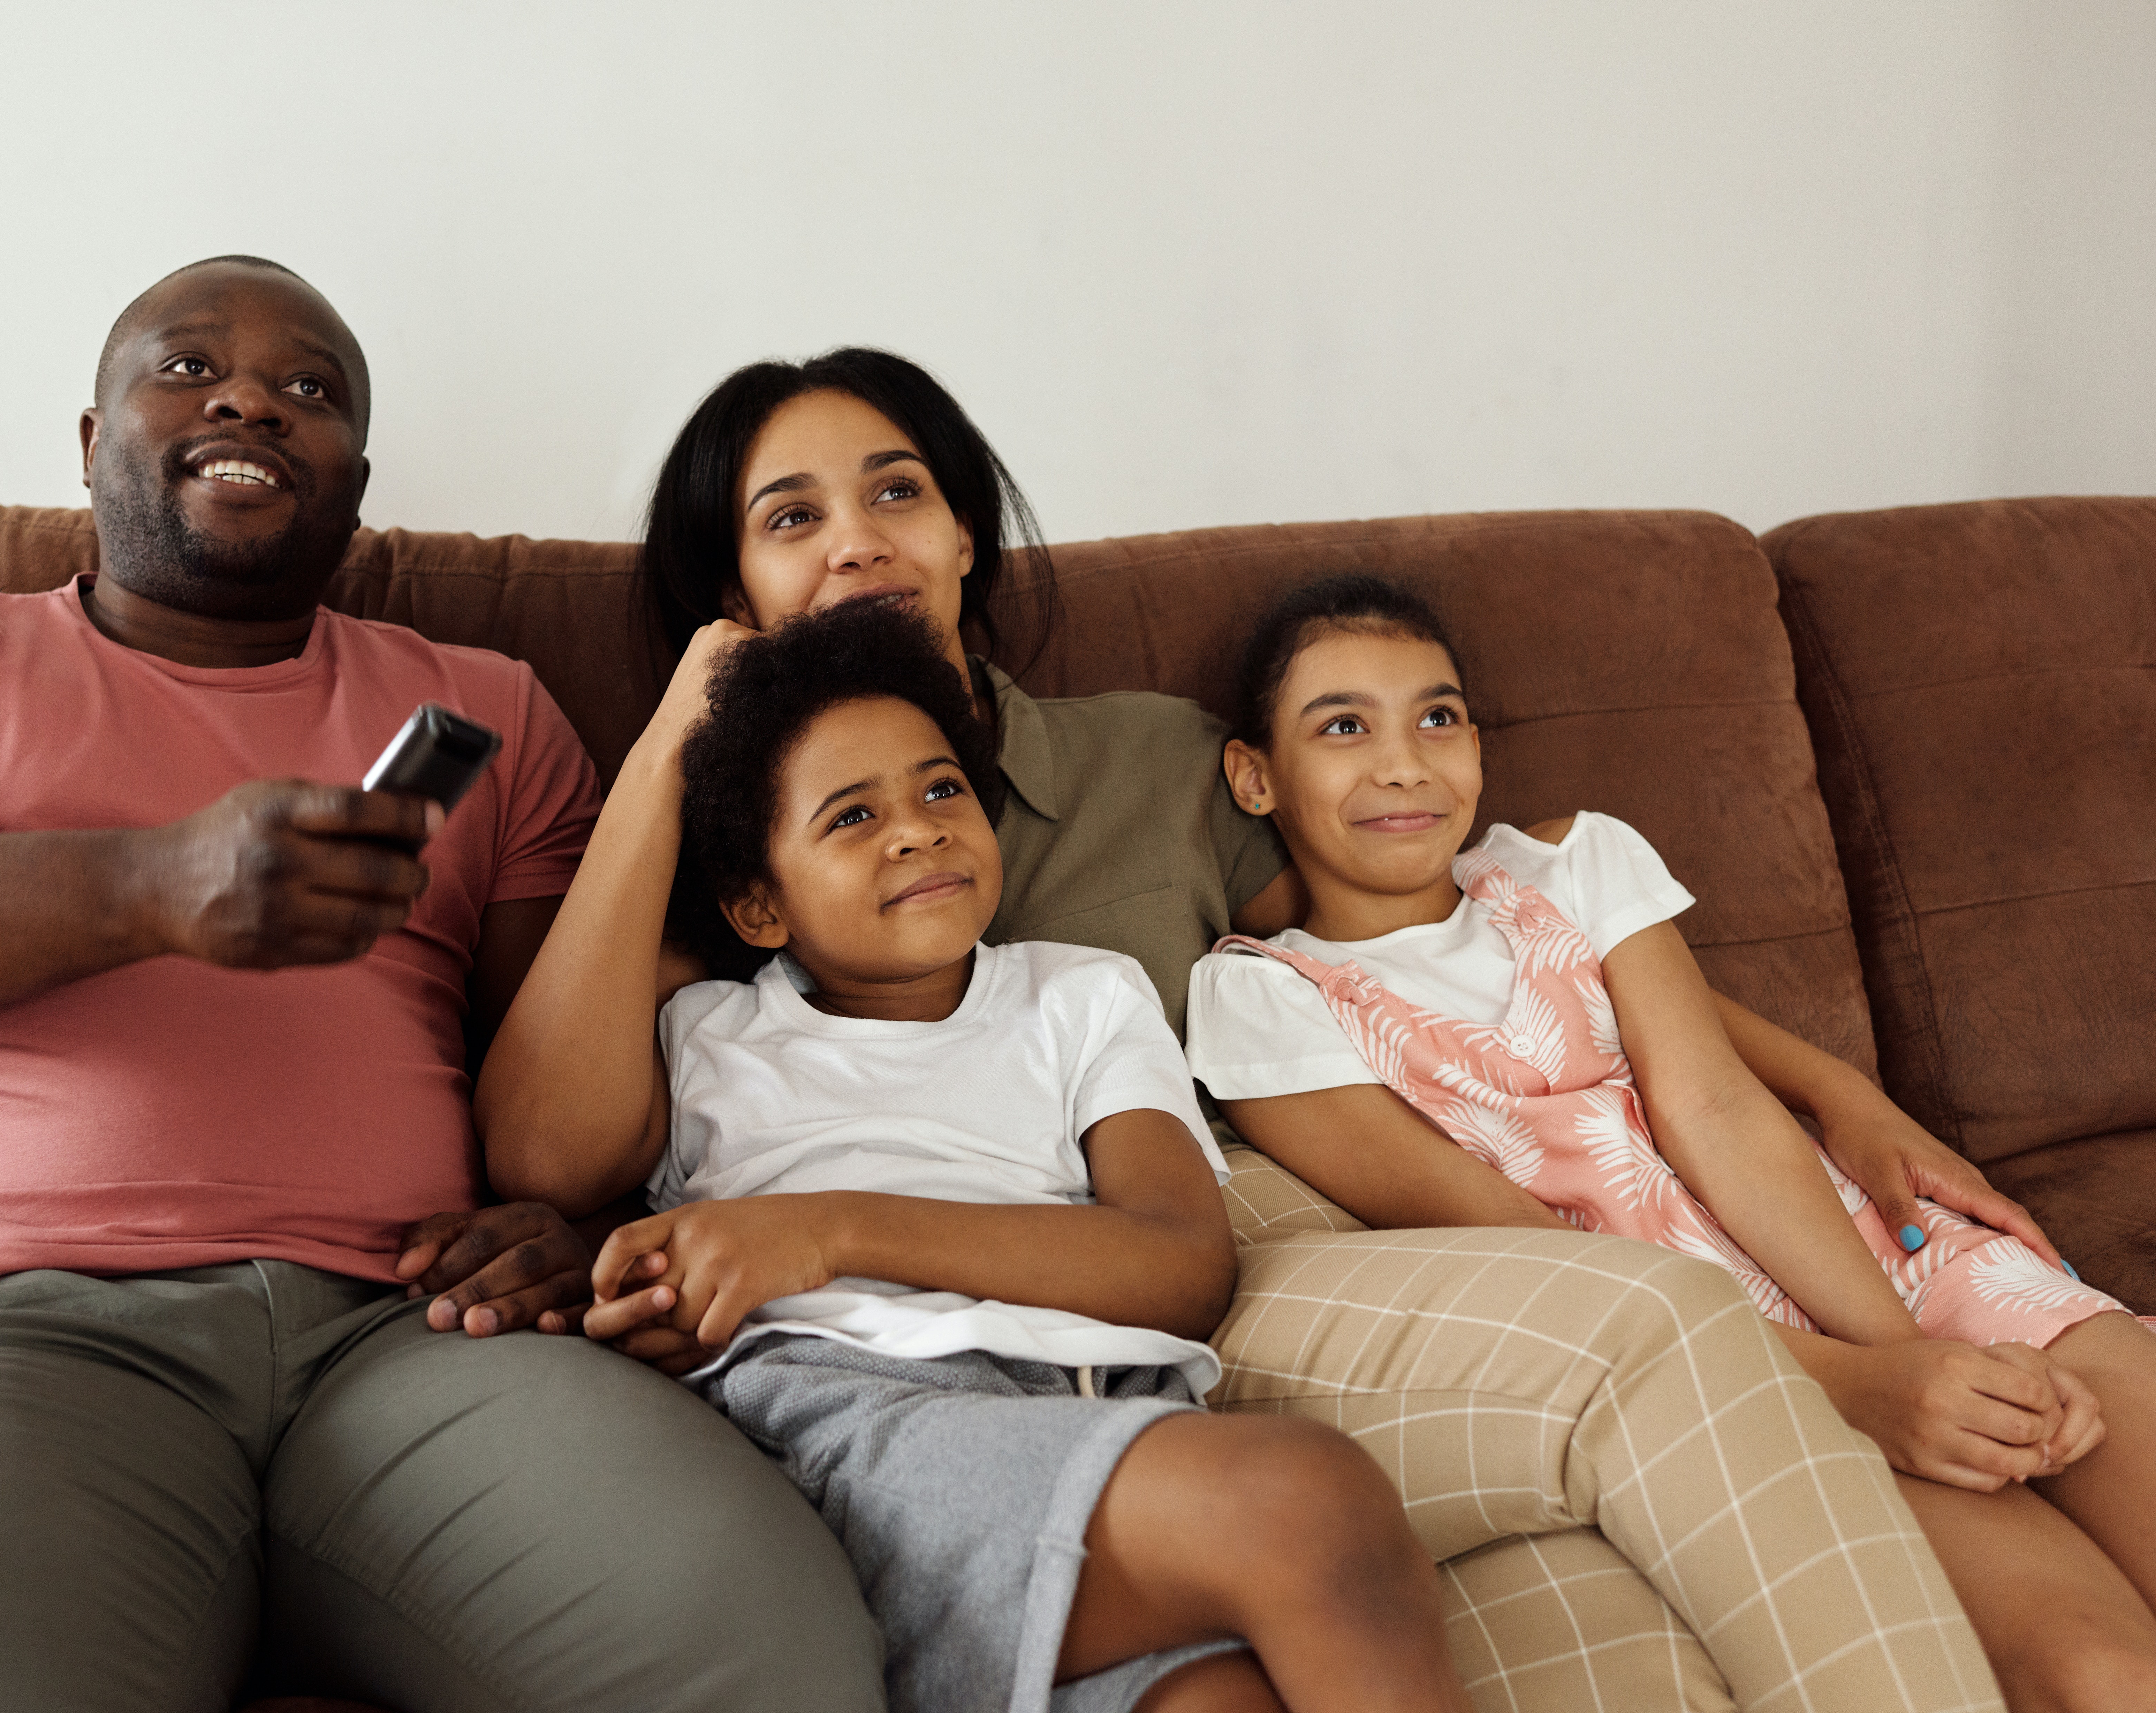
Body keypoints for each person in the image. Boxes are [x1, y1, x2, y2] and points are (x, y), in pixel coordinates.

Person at [479, 346, 2007, 1710]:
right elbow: (554, 1146)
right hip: (1015, 1342)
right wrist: (686, 725)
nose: (858, 535)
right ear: (732, 590)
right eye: (790, 516)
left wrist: (1823, 1084)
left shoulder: (1152, 760)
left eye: (896, 489)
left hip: (1249, 1210)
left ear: (963, 533)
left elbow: (1450, 905)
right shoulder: (727, 894)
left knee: (1615, 1526)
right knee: (1606, 1422)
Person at [0, 256, 883, 1713]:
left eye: (312, 391)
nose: (250, 395)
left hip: (419, 1336)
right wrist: (151, 886)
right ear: (87, 439)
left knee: (767, 1662)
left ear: (352, 489)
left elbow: (568, 1071)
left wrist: (574, 1226)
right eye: (186, 367)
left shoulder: (484, 708)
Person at [1185, 573, 2156, 1709]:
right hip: (1729, 1376)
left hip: (1880, 1267)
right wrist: (1868, 1388)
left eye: (1437, 717)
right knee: (2104, 1673)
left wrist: (1916, 1357)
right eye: (1343, 726)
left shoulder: (1572, 865)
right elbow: (1526, 1260)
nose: (1404, 764)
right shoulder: (1264, 1000)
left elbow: (1721, 1111)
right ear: (1256, 775)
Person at [516, 596, 1471, 1713]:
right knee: (1305, 1503)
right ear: (759, 904)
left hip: (1094, 1407)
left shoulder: (1081, 994)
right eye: (850, 818)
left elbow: (1180, 1268)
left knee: (1219, 1702)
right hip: (850, 1427)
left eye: (939, 790)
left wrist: (829, 1231)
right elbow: (546, 1156)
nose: (916, 829)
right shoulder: (708, 1032)